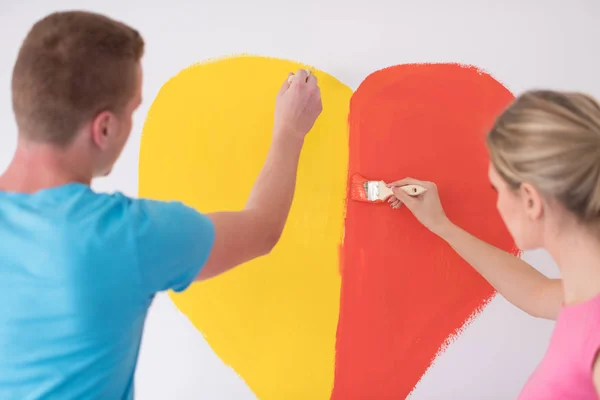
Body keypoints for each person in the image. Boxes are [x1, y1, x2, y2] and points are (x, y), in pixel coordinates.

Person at [0, 11, 322, 399]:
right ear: (104, 128)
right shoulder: (127, 236)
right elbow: (261, 230)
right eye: (132, 110)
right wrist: (290, 130)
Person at [388, 90, 600, 399]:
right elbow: (533, 291)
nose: (497, 203)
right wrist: (441, 226)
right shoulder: (582, 298)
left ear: (530, 199)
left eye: (496, 189)